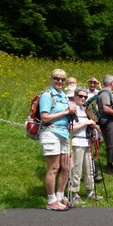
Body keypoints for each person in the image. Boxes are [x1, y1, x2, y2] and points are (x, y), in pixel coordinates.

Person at [39, 69, 77, 211]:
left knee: (67, 167)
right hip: (51, 132)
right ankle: (51, 200)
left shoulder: (63, 96)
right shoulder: (47, 95)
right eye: (56, 78)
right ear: (51, 79)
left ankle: (60, 196)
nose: (59, 81)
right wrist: (66, 112)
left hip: (64, 134)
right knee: (54, 168)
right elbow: (45, 117)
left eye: (62, 79)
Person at [69, 87, 102, 204]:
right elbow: (71, 128)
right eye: (80, 96)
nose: (83, 99)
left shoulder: (84, 110)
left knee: (89, 169)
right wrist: (86, 123)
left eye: (85, 97)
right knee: (76, 170)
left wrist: (92, 126)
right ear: (75, 96)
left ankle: (90, 192)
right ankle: (74, 194)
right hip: (77, 142)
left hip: (87, 142)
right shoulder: (72, 110)